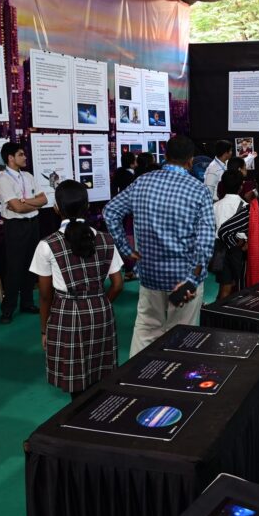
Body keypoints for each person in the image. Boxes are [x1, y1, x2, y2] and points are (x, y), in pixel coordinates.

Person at [103, 136, 214, 356]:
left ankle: (137, 375)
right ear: (191, 160)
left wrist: (126, 251)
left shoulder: (142, 182)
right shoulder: (199, 190)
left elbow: (110, 211)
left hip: (149, 274)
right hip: (183, 278)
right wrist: (192, 280)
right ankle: (172, 376)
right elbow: (206, 241)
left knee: (146, 330)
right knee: (181, 336)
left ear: (165, 156)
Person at [30, 181, 123, 401]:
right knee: (101, 372)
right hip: (101, 311)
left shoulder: (47, 245)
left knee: (77, 379)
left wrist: (44, 330)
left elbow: (45, 295)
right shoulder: (106, 239)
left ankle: (80, 417)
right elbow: (118, 284)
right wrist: (101, 301)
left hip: (67, 313)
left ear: (56, 208)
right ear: (87, 206)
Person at [0, 142, 48, 324]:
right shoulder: (3, 179)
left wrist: (25, 201)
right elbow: (16, 208)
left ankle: (27, 303)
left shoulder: (28, 176)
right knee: (15, 268)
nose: (25, 157)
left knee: (31, 265)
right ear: (10, 158)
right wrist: (31, 203)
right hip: (15, 226)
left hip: (33, 224)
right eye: (21, 154)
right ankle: (8, 309)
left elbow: (44, 199)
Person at [213, 169, 247, 300]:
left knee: (223, 285)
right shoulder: (245, 206)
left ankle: (217, 308)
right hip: (237, 249)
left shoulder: (215, 206)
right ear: (241, 186)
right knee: (233, 286)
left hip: (218, 249)